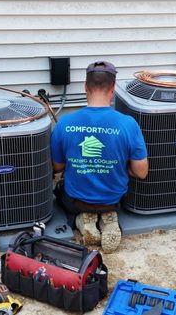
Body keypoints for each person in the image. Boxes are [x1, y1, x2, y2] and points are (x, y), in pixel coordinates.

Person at [50, 61, 148, 253]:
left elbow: (57, 168)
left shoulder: (65, 123)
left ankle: (81, 219)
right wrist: (120, 164)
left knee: (61, 189)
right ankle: (109, 218)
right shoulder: (128, 124)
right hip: (113, 200)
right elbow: (141, 172)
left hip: (76, 201)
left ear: (85, 87)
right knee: (112, 195)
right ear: (113, 89)